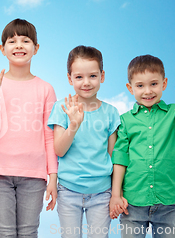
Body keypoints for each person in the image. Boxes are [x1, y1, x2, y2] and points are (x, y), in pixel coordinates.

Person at [109, 55, 175, 238]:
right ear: (130, 88)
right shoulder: (125, 120)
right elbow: (120, 158)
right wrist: (116, 195)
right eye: (140, 86)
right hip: (133, 202)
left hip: (168, 203)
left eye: (153, 84)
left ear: (164, 83)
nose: (148, 91)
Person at [0, 18, 58, 237]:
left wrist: (53, 176)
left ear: (36, 48)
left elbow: (49, 136)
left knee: (29, 233)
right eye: (12, 41)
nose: (19, 45)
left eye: (25, 40)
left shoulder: (46, 89)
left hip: (34, 175)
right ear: (2, 49)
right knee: (4, 234)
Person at [48, 45, 120, 238]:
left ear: (102, 76)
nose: (86, 82)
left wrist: (116, 194)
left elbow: (114, 157)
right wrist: (74, 124)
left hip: (102, 193)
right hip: (68, 191)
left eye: (93, 76)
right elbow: (59, 150)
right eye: (79, 77)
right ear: (69, 78)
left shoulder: (111, 113)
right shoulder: (61, 107)